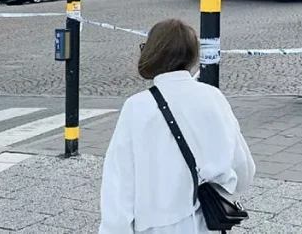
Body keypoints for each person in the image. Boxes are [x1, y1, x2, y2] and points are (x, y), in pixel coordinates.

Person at [99, 19, 255, 233]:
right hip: (207, 222)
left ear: (152, 52)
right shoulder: (213, 97)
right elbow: (243, 167)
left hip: (155, 224)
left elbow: (119, 182)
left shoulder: (137, 107)